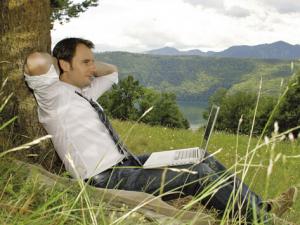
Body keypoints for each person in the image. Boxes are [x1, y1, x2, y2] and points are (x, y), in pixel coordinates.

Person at [24, 37, 297, 224]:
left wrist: (86, 67)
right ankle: (263, 221)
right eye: (86, 62)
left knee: (201, 155)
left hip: (128, 164)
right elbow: (37, 60)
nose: (93, 67)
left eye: (92, 61)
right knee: (198, 174)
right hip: (103, 178)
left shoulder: (84, 91)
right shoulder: (52, 95)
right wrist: (66, 60)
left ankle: (262, 208)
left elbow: (113, 72)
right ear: (63, 64)